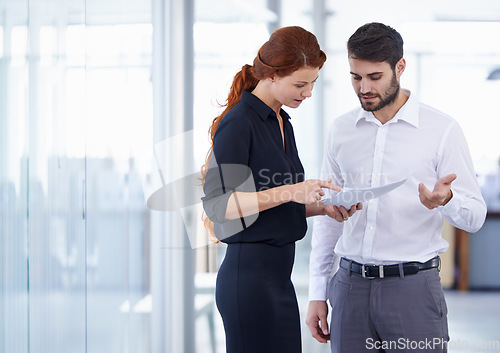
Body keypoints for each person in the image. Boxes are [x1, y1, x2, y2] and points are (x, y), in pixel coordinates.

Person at [306, 22, 487, 353]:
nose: (364, 88)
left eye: (374, 77)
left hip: (413, 291)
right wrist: (318, 291)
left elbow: (475, 216)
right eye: (355, 77)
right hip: (349, 289)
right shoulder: (341, 130)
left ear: (399, 67)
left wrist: (446, 200)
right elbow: (327, 217)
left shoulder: (441, 129)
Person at [201, 26, 361, 353]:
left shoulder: (281, 121)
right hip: (249, 280)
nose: (308, 92)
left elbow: (268, 204)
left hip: (278, 280)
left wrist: (323, 207)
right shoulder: (239, 123)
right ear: (272, 76)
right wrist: (291, 192)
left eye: (313, 83)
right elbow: (219, 207)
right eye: (300, 84)